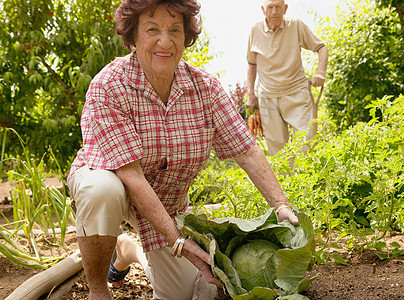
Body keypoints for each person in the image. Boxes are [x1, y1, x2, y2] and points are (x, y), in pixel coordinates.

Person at [67, 0, 300, 299]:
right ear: (133, 37)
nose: (165, 41)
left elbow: (247, 151)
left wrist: (281, 206)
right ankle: (98, 290)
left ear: (185, 36)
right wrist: (177, 240)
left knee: (184, 292)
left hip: (166, 202)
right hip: (116, 181)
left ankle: (128, 250)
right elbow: (131, 176)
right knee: (102, 190)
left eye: (174, 29)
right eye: (152, 29)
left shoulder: (205, 88)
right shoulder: (109, 86)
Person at [247, 0, 329, 156]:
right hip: (268, 97)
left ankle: (309, 180)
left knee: (307, 143)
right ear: (263, 9)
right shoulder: (255, 31)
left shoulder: (296, 25)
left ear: (285, 9)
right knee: (278, 152)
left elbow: (322, 48)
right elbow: (252, 64)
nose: (274, 11)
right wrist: (251, 95)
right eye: (270, 7)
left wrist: (321, 73)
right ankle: (285, 181)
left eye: (278, 7)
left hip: (297, 93)